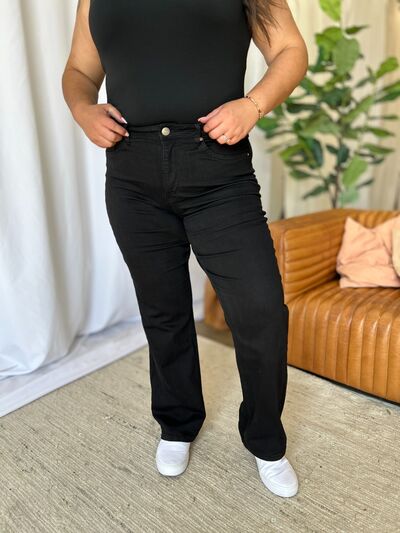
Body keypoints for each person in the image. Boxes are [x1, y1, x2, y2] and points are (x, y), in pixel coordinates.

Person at [62, 0, 308, 498]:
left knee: (260, 310)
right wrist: (84, 110)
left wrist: (252, 105)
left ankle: (265, 439)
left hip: (217, 170)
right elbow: (79, 71)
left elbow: (289, 49)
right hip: (132, 173)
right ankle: (177, 423)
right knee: (164, 310)